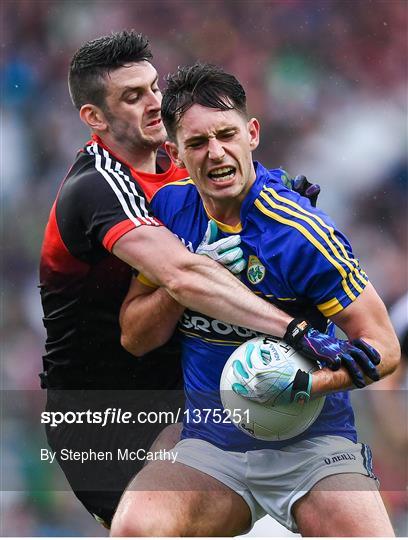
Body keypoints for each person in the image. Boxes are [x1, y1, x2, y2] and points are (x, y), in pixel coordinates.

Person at [38, 31, 343, 528]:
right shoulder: (95, 188)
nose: (156, 104)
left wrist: (278, 199)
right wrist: (294, 331)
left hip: (185, 390)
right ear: (94, 118)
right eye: (132, 97)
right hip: (102, 416)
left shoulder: (180, 164)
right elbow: (184, 274)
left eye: (154, 87)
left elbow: (241, 184)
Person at [111, 63, 400, 537]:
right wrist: (185, 281)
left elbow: (383, 347)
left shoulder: (300, 232)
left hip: (314, 450)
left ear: (252, 134)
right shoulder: (165, 215)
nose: (216, 152)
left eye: (226, 135)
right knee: (135, 528)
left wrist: (304, 386)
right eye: (198, 143)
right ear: (175, 152)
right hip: (211, 447)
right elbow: (135, 337)